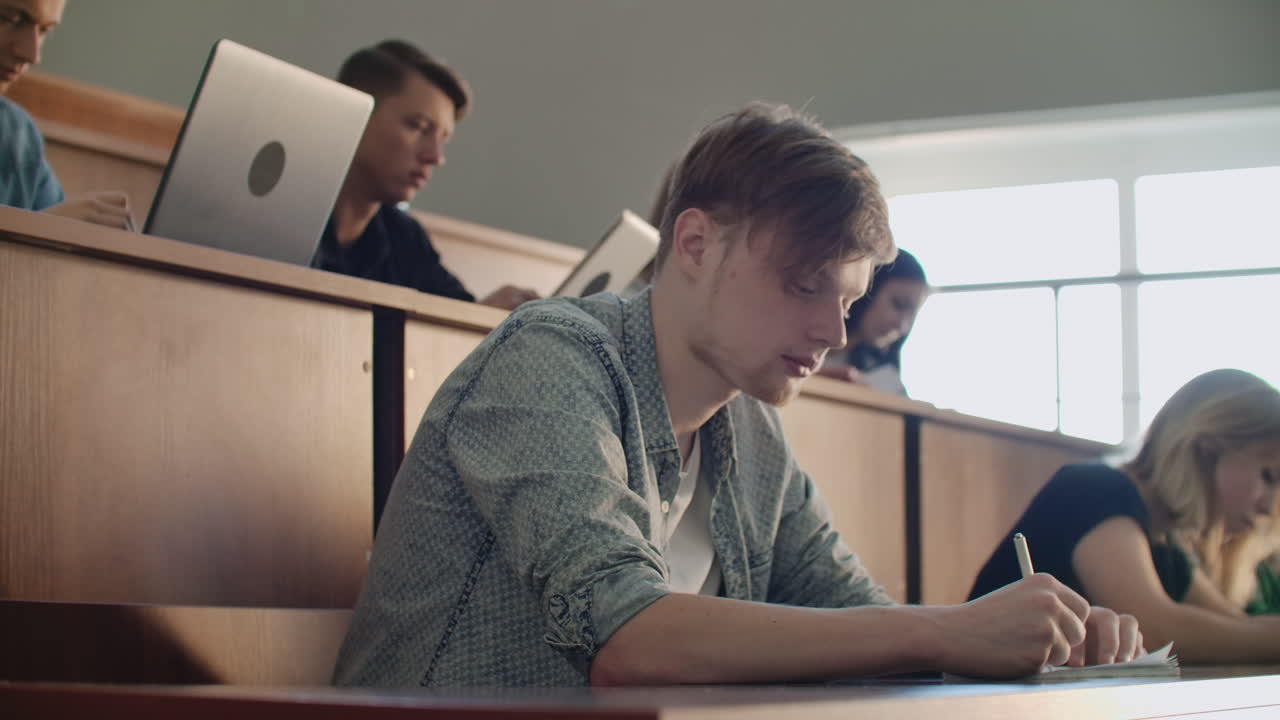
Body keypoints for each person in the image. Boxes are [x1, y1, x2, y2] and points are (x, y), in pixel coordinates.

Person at [333, 103, 1141, 688]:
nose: (832, 330)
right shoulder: (549, 357)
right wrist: (952, 631)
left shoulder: (749, 427)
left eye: (850, 301)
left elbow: (852, 614)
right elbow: (630, 635)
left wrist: (1034, 639)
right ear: (693, 243)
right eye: (802, 286)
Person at [969, 368, 1280, 662]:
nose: (1269, 507)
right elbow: (1155, 630)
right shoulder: (1095, 490)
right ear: (1206, 450)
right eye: (1269, 476)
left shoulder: (1165, 542)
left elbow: (1237, 627)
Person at [310, 39, 537, 310]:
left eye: (444, 139)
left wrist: (493, 312)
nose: (436, 157)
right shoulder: (284, 215)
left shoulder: (405, 237)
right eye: (418, 127)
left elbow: (456, 316)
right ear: (355, 115)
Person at [1, 0, 133, 229]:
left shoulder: (18, 136)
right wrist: (40, 229)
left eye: (44, 30)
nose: (31, 54)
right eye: (9, 18)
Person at [816, 249, 928, 395]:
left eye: (912, 315)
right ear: (867, 289)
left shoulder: (885, 381)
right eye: (898, 304)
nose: (902, 325)